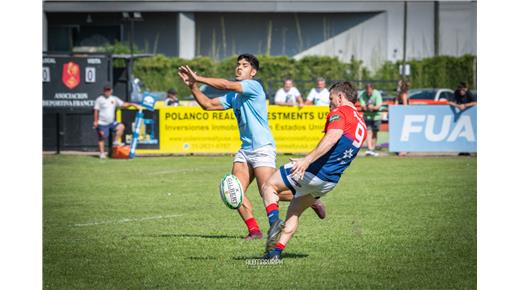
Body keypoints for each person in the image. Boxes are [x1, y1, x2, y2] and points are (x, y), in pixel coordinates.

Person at [177, 54, 326, 240]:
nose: (239, 68)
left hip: (262, 148)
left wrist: (197, 77)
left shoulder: (254, 86)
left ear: (253, 72)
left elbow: (225, 84)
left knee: (268, 191)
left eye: (245, 65)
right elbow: (207, 105)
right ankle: (254, 230)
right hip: (245, 150)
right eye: (238, 65)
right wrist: (192, 85)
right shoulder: (233, 97)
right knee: (233, 190)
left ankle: (310, 199)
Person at [260, 81, 367, 260]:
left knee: (269, 186)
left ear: (340, 97)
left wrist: (306, 160)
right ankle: (276, 253)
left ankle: (273, 223)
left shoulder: (340, 112)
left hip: (315, 171)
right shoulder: (361, 122)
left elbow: (333, 137)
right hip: (329, 182)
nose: (329, 103)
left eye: (331, 98)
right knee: (294, 211)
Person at [93, 83, 141, 159]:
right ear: (103, 91)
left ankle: (115, 142)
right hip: (102, 123)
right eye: (106, 90)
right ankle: (102, 153)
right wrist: (95, 121)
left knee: (121, 127)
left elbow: (123, 104)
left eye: (108, 90)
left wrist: (133, 105)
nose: (107, 92)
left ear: (111, 91)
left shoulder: (114, 99)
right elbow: (96, 110)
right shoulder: (99, 99)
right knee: (102, 136)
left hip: (111, 122)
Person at [359, 83, 383, 156]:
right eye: (367, 91)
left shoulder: (377, 94)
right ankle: (369, 149)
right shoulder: (362, 94)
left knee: (375, 133)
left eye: (370, 91)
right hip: (367, 116)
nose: (368, 93)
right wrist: (366, 107)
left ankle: (372, 149)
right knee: (368, 131)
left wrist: (372, 107)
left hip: (377, 116)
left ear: (373, 89)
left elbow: (378, 106)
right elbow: (362, 105)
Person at [394, 80, 409, 156]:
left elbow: (405, 107)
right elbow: (396, 105)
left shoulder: (404, 94)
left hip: (404, 117)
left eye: (399, 85)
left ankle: (404, 150)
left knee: (404, 134)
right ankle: (400, 149)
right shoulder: (399, 94)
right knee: (400, 133)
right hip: (399, 116)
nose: (397, 86)